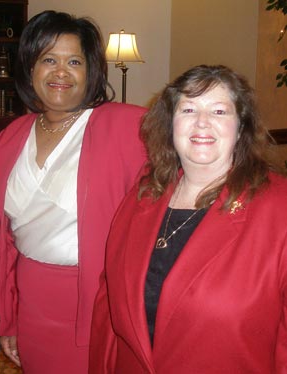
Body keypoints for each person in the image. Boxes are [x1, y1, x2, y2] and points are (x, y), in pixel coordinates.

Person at [89, 64, 287, 373]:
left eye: (219, 112)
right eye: (189, 109)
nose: (202, 123)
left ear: (241, 127)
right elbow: (108, 307)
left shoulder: (278, 208)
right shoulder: (142, 196)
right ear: (170, 123)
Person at [0, 10, 147, 374]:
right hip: (31, 303)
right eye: (48, 59)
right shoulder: (12, 135)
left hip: (97, 306)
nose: (60, 72)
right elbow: (7, 241)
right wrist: (10, 315)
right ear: (30, 68)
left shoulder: (126, 126)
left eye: (74, 61)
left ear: (91, 71)